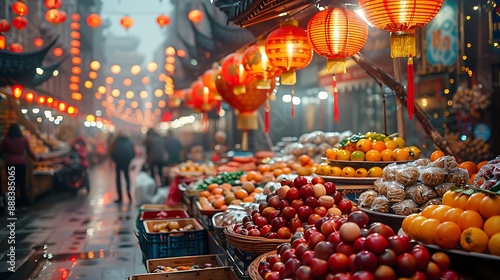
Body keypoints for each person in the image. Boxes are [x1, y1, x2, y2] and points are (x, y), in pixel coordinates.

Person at [0, 123, 38, 208]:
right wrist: (35, 158)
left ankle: (14, 204)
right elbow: (29, 151)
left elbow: (1, 150)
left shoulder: (6, 140)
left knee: (12, 185)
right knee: (22, 184)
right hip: (21, 163)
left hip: (10, 163)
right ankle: (24, 203)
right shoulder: (23, 140)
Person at [110, 130, 136, 203]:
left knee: (118, 179)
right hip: (126, 162)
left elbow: (111, 151)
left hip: (118, 162)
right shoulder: (129, 141)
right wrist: (129, 160)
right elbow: (133, 152)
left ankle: (120, 197)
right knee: (127, 178)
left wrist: (115, 160)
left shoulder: (115, 141)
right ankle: (129, 195)